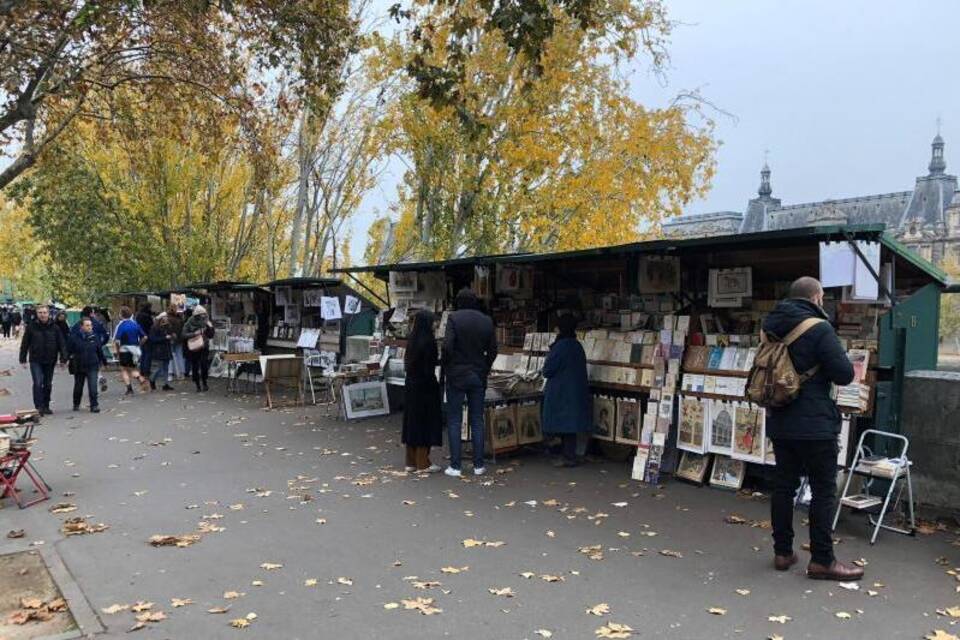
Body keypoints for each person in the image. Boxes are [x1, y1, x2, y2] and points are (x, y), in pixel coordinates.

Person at [763, 276, 861, 582]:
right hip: (816, 424)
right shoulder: (819, 328)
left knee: (783, 486)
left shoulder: (770, 327)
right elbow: (844, 374)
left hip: (780, 418)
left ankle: (782, 552)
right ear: (816, 298)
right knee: (822, 490)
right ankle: (822, 560)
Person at [442, 288, 497, 477]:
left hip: (457, 374)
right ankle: (479, 465)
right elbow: (493, 351)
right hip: (478, 374)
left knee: (455, 419)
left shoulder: (453, 319)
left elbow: (447, 346)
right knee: (477, 420)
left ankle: (456, 466)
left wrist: (449, 365)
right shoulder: (487, 321)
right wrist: (485, 367)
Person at [541, 314, 592, 467]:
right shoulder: (577, 345)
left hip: (561, 391)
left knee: (561, 422)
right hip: (575, 390)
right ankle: (569, 454)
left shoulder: (560, 347)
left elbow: (547, 370)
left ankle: (566, 456)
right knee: (570, 424)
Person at [401, 310, 443, 473]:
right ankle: (422, 461)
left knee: (412, 422)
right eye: (432, 322)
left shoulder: (412, 340)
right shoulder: (428, 341)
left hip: (411, 385)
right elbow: (429, 366)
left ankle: (410, 461)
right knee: (425, 422)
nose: (434, 325)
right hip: (425, 387)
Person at [18, 305, 67, 415]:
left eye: (44, 312)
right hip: (35, 359)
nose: (42, 315)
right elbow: (25, 343)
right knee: (38, 382)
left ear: (48, 313)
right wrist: (22, 358)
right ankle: (39, 406)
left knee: (48, 384)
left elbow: (62, 344)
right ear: (37, 314)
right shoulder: (31, 327)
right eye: (40, 312)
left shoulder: (55, 327)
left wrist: (63, 359)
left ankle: (46, 405)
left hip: (50, 359)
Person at [68, 317, 106, 412]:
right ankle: (76, 403)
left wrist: (104, 362)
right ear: (82, 327)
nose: (90, 327)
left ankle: (94, 405)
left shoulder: (95, 337)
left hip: (93, 364)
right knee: (78, 386)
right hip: (79, 364)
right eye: (87, 325)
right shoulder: (74, 337)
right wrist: (65, 359)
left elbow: (99, 350)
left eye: (90, 325)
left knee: (93, 386)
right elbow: (68, 350)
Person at [113, 306, 149, 395]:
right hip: (135, 350)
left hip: (124, 350)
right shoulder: (135, 324)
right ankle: (141, 378)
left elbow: (117, 340)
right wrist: (139, 344)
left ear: (121, 315)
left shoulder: (121, 325)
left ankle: (130, 387)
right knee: (132, 367)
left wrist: (117, 351)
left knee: (124, 369)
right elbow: (145, 337)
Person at [181, 305, 215, 392]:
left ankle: (204, 383)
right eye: (201, 314)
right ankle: (197, 384)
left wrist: (211, 327)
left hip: (204, 346)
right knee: (195, 366)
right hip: (194, 347)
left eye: (204, 314)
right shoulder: (189, 323)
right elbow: (183, 335)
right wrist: (195, 333)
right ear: (196, 315)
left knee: (204, 365)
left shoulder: (206, 322)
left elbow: (211, 335)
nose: (203, 316)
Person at [147, 314, 175, 391]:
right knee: (158, 368)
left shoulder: (167, 326)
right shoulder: (154, 328)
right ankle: (152, 380)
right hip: (158, 350)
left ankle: (165, 384)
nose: (166, 319)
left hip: (166, 349)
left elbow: (170, 334)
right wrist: (165, 338)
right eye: (165, 318)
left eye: (166, 318)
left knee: (166, 368)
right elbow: (153, 339)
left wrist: (172, 336)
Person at [165, 304, 185, 381]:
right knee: (180, 355)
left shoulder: (167, 318)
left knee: (170, 356)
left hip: (170, 339)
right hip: (179, 339)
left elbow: (165, 329)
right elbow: (183, 330)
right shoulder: (180, 319)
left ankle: (170, 374)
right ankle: (181, 373)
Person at [136, 303, 154, 378]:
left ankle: (142, 371)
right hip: (148, 335)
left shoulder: (138, 315)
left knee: (143, 353)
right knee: (148, 354)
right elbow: (151, 325)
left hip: (141, 335)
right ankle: (146, 371)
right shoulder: (147, 316)